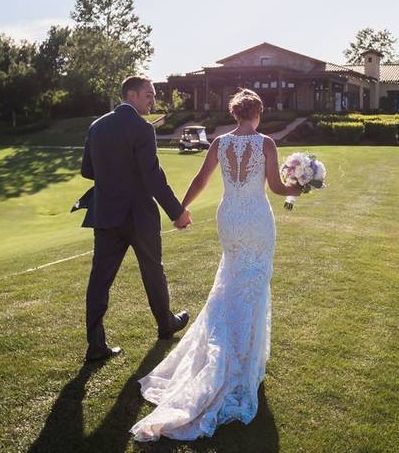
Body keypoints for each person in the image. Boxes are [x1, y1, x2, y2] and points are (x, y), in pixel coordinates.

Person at [130, 89, 303, 442]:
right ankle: (244, 363)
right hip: (256, 220)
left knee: (231, 282)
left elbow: (200, 180)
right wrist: (300, 188)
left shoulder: (220, 143)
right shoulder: (266, 143)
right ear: (259, 112)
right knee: (253, 285)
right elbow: (274, 186)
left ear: (235, 112)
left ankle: (224, 348)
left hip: (230, 219)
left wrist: (180, 209)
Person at [78, 76, 193, 363]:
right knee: (153, 270)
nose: (153, 100)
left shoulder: (97, 126)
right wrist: (177, 213)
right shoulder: (142, 129)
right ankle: (165, 325)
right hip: (139, 215)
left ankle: (95, 344)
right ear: (131, 95)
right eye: (149, 95)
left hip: (105, 213)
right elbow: (152, 177)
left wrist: (113, 177)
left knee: (99, 280)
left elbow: (87, 171)